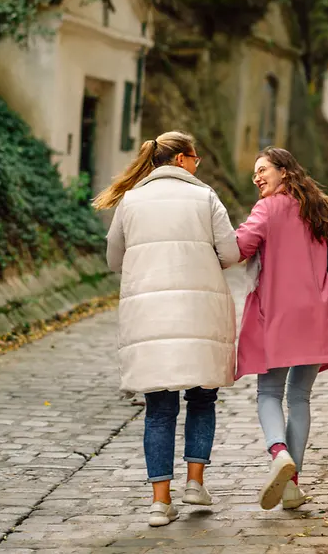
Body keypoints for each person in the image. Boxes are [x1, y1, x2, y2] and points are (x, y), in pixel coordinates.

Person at [94, 131, 239, 527]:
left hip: (150, 317)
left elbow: (113, 257)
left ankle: (160, 503)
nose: (198, 165)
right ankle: (195, 483)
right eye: (195, 157)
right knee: (202, 398)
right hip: (199, 313)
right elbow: (230, 252)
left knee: (159, 410)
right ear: (180, 160)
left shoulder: (132, 200)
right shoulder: (206, 197)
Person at [235, 147, 328, 510]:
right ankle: (292, 487)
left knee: (268, 393)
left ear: (284, 171)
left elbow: (239, 247)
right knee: (299, 398)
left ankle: (278, 452)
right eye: (254, 172)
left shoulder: (267, 209)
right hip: (317, 313)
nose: (256, 177)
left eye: (263, 169)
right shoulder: (321, 210)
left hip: (279, 315)